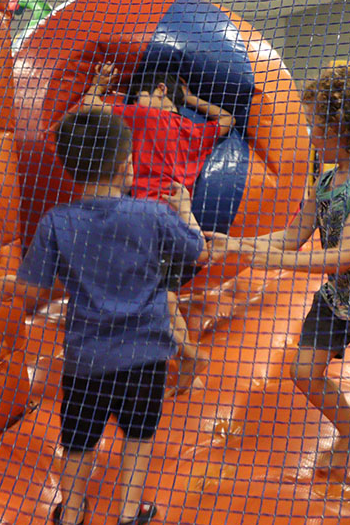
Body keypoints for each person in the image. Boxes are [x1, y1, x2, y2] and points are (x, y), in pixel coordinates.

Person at [0, 108, 223, 525]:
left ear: (70, 169)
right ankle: (129, 509)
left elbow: (33, 292)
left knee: (79, 437)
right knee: (139, 433)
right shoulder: (151, 214)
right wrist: (184, 209)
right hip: (144, 354)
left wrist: (11, 285)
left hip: (87, 358)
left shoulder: (56, 222)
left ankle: (70, 514)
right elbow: (200, 253)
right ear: (126, 166)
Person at [218, 66, 350, 515]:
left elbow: (342, 255)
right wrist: (240, 245)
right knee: (304, 371)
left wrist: (271, 261)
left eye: (317, 126)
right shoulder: (326, 179)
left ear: (344, 130)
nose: (311, 134)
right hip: (337, 299)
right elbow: (293, 235)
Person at [79, 63, 236, 394]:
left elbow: (89, 109)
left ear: (160, 90)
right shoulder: (191, 131)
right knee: (164, 295)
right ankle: (186, 361)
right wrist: (190, 100)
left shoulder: (145, 117)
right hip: (178, 223)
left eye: (138, 96)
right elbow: (227, 120)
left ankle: (187, 355)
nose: (135, 102)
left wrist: (98, 84)